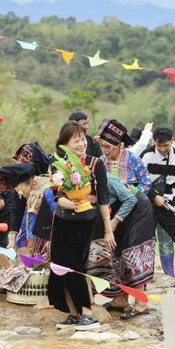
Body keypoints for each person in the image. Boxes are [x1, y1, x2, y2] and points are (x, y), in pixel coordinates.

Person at [47, 121, 115, 331]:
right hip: (62, 220)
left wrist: (108, 228)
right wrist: (64, 201)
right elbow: (56, 193)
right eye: (75, 140)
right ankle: (73, 313)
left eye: (83, 139)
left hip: (85, 220)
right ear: (65, 143)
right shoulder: (56, 165)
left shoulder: (96, 164)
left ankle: (87, 312)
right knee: (59, 265)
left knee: (76, 265)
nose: (81, 144)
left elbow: (103, 198)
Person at [92, 174, 156, 319]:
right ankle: (119, 300)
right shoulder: (79, 184)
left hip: (138, 210)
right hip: (120, 214)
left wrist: (114, 222)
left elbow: (130, 199)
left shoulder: (105, 179)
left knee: (132, 253)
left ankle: (141, 303)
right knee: (117, 253)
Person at [139, 126, 175, 275]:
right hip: (146, 203)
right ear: (153, 142)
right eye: (158, 145)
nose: (162, 149)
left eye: (165, 145)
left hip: (168, 204)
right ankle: (145, 274)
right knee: (146, 239)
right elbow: (140, 181)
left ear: (172, 141)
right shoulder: (146, 156)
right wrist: (154, 197)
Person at [97, 118, 152, 193]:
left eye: (108, 146)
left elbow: (146, 182)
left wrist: (132, 193)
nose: (105, 150)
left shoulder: (133, 159)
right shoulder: (101, 161)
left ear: (118, 145)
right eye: (102, 146)